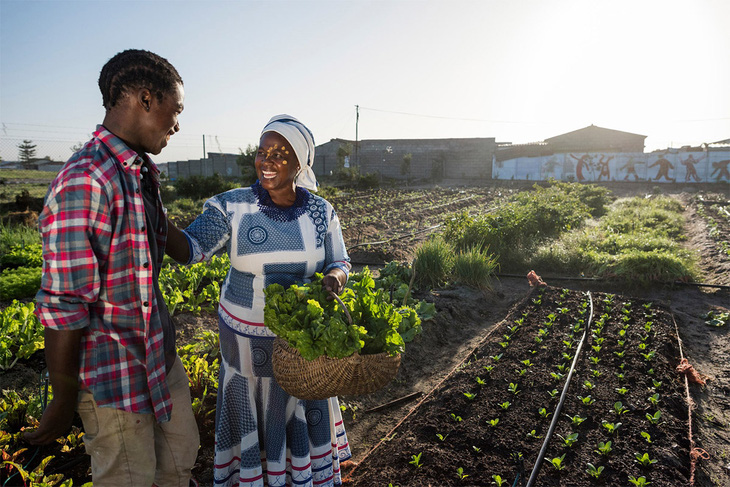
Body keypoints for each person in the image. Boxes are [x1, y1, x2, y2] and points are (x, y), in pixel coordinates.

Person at [25, 49, 200, 487]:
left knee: (180, 459)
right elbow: (65, 305)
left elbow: (165, 238)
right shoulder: (87, 179)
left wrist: (235, 220)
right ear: (144, 99)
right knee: (128, 477)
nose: (177, 124)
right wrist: (62, 401)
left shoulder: (139, 170)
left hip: (158, 358)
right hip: (112, 377)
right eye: (174, 110)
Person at [166, 115, 353, 487]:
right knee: (253, 419)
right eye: (262, 151)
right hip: (246, 348)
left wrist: (334, 277)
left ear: (301, 164)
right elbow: (192, 248)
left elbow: (340, 260)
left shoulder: (321, 212)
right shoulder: (232, 207)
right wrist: (152, 215)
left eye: (280, 154)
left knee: (296, 411)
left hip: (300, 350)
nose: (267, 161)